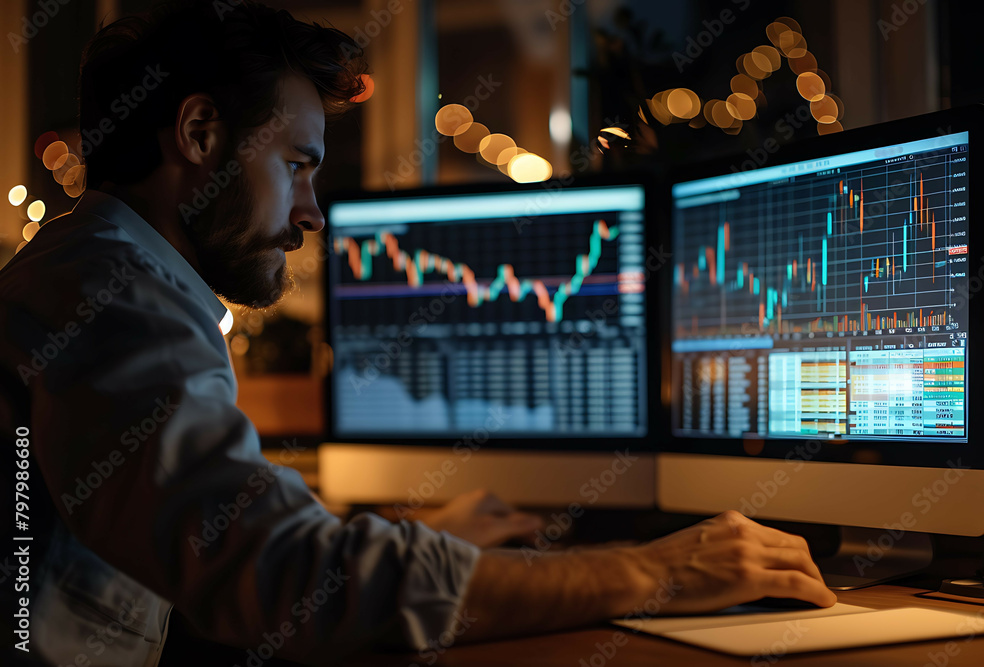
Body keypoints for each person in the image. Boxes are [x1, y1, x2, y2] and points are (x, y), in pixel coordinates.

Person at [0, 1, 836, 664]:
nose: (312, 214)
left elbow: (211, 532)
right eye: (296, 164)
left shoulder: (98, 269)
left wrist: (417, 542)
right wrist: (651, 571)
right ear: (197, 133)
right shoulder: (117, 296)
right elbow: (285, 581)